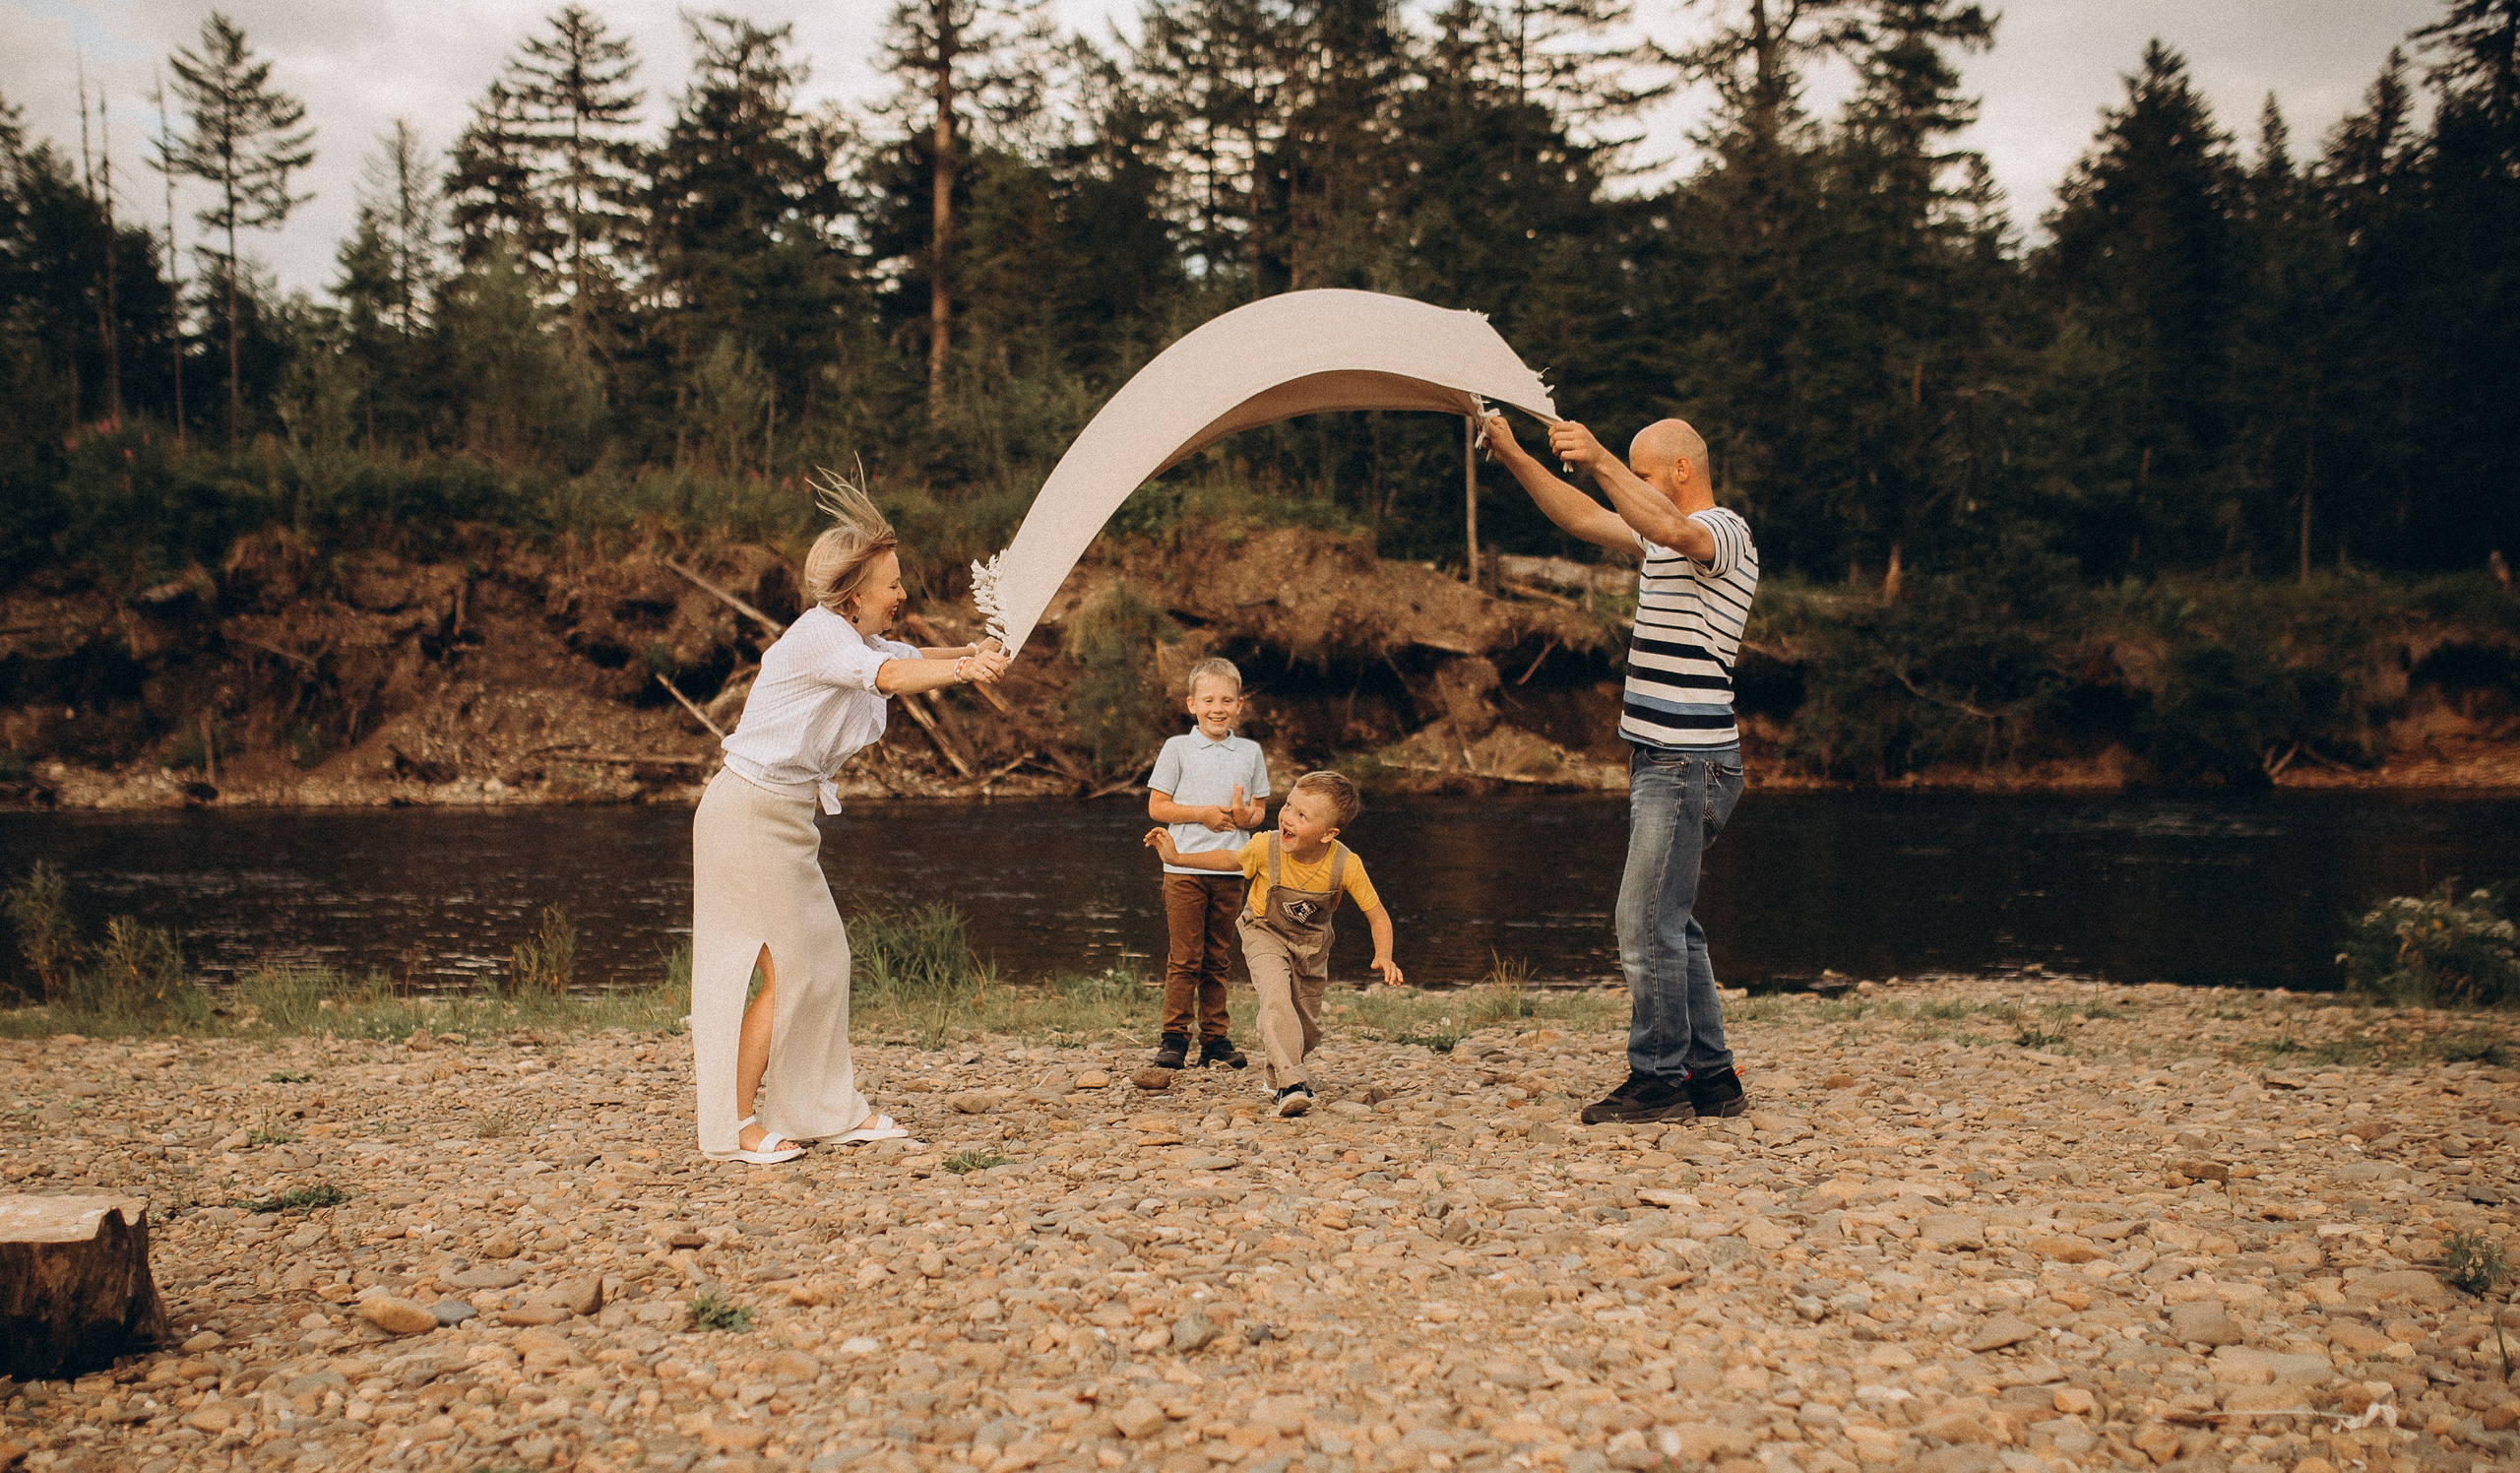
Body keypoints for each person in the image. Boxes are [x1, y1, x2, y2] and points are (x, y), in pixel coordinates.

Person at [689, 474, 1011, 1164]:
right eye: (891, 583)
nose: (902, 594)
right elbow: (892, 679)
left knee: (824, 960)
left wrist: (982, 653)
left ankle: (820, 1110)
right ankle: (736, 1126)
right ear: (854, 593)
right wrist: (964, 675)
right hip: (748, 813)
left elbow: (916, 657)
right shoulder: (819, 639)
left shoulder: (856, 638)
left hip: (784, 817)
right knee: (783, 969)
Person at [1483, 413, 1759, 1125]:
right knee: (1675, 922)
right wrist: (1514, 454)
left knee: (1643, 923)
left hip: (1688, 758)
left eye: (1642, 473)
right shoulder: (1658, 531)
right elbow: (1581, 515)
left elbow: (1672, 530)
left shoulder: (1724, 531)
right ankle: (1712, 1077)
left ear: (1680, 472)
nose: (1631, 486)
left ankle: (1659, 1080)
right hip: (1665, 757)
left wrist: (1602, 455)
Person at [1144, 770, 1403, 1118]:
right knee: (1277, 1001)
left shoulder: (1346, 864)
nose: (1287, 818)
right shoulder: (1266, 846)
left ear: (1329, 834)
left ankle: (1276, 1069)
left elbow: (1378, 916)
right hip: (1263, 932)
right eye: (1289, 806)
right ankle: (1292, 1084)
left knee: (1307, 1028)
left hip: (1311, 947)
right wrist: (1177, 858)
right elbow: (1230, 859)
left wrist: (1384, 955)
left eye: (1302, 816)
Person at [1146, 657, 1271, 1071]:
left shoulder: (1250, 752)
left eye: (1226, 700)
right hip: (1182, 871)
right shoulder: (1176, 748)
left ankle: (1214, 1038)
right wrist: (1201, 814)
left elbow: (1258, 814)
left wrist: (1242, 816)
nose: (1217, 708)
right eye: (1208, 700)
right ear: (1191, 704)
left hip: (1233, 870)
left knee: (1218, 957)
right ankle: (1174, 1037)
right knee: (1185, 958)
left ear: (1239, 705)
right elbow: (1157, 806)